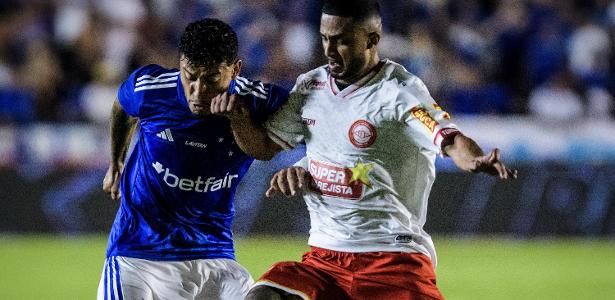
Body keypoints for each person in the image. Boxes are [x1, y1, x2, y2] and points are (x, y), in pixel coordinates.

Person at [214, 1, 517, 299]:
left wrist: (474, 159)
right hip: (325, 261)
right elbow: (264, 147)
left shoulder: (400, 91)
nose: (330, 50)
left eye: (342, 41)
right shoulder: (310, 87)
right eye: (325, 39)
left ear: (372, 39)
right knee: (263, 296)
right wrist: (238, 120)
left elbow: (449, 139)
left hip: (393, 258)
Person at [99, 18, 288, 300]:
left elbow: (305, 129)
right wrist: (116, 160)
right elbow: (121, 106)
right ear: (180, 63)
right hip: (138, 255)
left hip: (214, 255)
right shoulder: (150, 88)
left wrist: (240, 121)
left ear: (235, 69)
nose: (198, 91)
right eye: (190, 75)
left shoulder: (257, 101)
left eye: (211, 79)